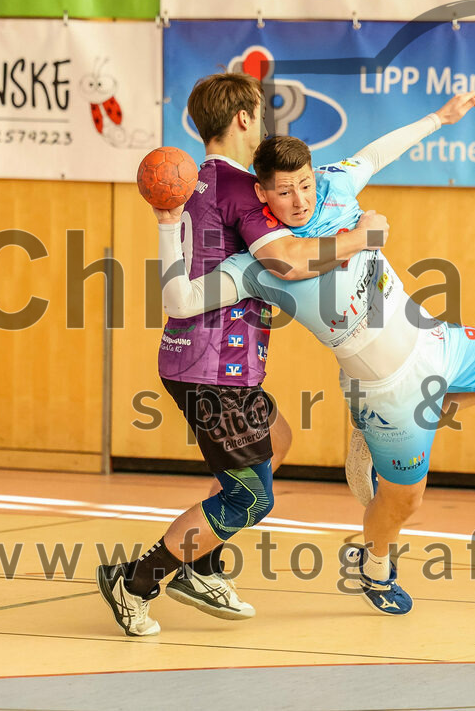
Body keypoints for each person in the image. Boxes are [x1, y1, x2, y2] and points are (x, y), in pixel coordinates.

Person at [157, 92, 475, 616]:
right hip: (387, 389)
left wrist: (439, 118)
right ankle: (374, 568)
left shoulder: (334, 184)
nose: (301, 199)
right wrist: (168, 225)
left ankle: (391, 426)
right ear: (261, 195)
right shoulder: (261, 266)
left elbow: (377, 154)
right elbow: (182, 300)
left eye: (305, 184)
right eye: (285, 193)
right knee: (404, 503)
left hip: (433, 338)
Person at [97, 72, 387, 637]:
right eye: (262, 112)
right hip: (213, 367)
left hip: (208, 361)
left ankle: (198, 563)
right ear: (246, 119)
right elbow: (289, 261)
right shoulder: (239, 188)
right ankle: (137, 581)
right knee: (250, 499)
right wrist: (362, 238)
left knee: (277, 439)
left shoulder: (195, 181)